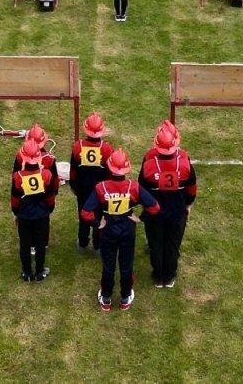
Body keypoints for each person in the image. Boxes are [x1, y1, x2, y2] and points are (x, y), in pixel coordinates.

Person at [79, 149, 159, 311]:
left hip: (108, 228)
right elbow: (154, 207)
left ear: (110, 167)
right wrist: (140, 218)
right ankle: (125, 297)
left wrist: (96, 224)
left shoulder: (101, 187)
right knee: (126, 264)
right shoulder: (134, 187)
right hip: (127, 228)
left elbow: (85, 212)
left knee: (108, 265)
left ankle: (106, 298)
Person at [140, 120, 197, 289]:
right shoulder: (185, 163)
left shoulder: (149, 162)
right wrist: (188, 204)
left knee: (155, 244)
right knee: (172, 244)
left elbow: (141, 189)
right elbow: (192, 188)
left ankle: (158, 277)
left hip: (154, 212)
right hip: (177, 211)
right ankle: (169, 276)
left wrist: (146, 207)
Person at [10, 140, 58, 282]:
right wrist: (49, 209)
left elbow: (15, 198)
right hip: (41, 214)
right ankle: (39, 272)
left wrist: (16, 212)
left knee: (24, 243)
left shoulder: (18, 176)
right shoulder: (46, 175)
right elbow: (50, 197)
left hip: (24, 214)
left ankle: (26, 273)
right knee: (40, 243)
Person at [69, 113, 115, 254]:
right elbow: (110, 172)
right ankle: (98, 245)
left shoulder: (78, 147)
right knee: (99, 216)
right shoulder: (107, 149)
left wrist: (73, 186)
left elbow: (73, 170)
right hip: (101, 190)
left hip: (82, 188)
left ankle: (82, 243)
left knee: (83, 214)